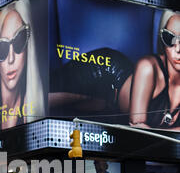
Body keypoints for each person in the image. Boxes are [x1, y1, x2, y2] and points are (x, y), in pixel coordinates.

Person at [49, 11, 180, 131]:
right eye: (170, 38)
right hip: (104, 70)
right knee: (41, 99)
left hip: (111, 104)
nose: (178, 49)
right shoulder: (148, 67)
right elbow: (138, 126)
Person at [0, 0, 44, 136]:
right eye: (3, 47)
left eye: (19, 42)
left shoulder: (31, 100)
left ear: (29, 47)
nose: (11, 58)